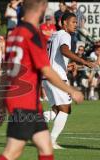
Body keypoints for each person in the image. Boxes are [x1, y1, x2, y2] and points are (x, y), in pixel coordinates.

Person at [0, 0, 84, 159]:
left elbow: (7, 72)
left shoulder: (14, 34)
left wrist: (1, 104)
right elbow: (46, 70)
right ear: (42, 8)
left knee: (46, 147)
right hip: (24, 102)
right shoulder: (34, 35)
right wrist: (71, 90)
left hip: (29, 102)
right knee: (12, 151)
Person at [42, 12, 96, 149]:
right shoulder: (64, 35)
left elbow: (55, 56)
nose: (75, 25)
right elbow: (64, 50)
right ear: (64, 23)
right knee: (65, 108)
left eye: (76, 22)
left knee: (56, 109)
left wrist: (69, 65)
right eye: (72, 22)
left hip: (47, 76)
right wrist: (83, 61)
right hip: (56, 77)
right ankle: (51, 141)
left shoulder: (53, 35)